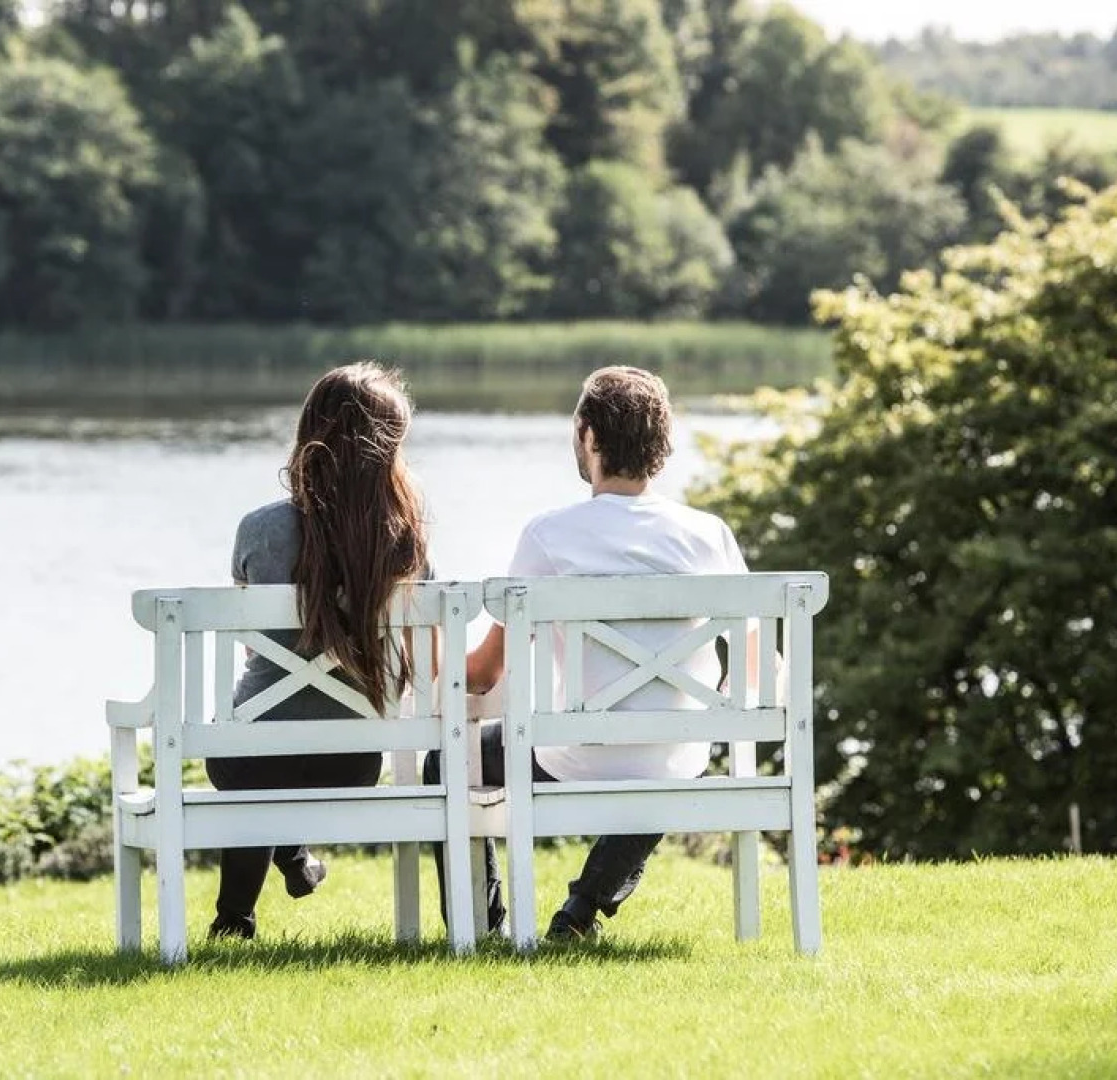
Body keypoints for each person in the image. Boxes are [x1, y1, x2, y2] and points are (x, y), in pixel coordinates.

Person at [426, 365, 750, 940]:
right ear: (662, 443)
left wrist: (430, 666)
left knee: (445, 760)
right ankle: (579, 913)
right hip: (676, 758)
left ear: (590, 437)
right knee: (662, 760)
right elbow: (755, 663)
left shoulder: (549, 535)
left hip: (572, 758)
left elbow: (485, 673)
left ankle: (484, 925)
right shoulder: (707, 534)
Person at [207, 363, 431, 939]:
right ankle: (294, 860)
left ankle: (235, 918)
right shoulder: (404, 537)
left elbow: (254, 641)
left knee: (259, 760)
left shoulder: (260, 529)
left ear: (310, 433)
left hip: (245, 761)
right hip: (351, 761)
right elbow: (421, 655)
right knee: (275, 760)